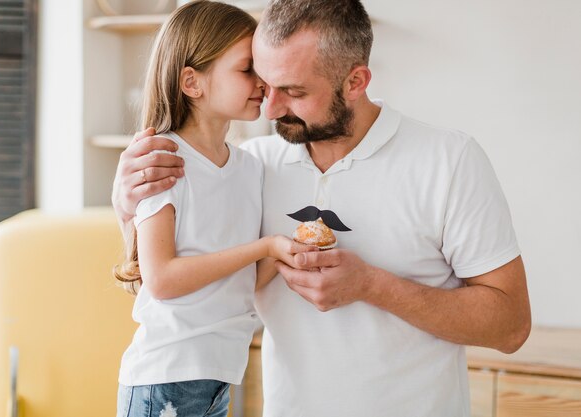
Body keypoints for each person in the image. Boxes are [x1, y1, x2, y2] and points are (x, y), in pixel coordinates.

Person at [112, 0, 532, 416]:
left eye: (293, 91)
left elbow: (511, 327)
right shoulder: (252, 165)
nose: (270, 107)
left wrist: (370, 285)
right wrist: (126, 207)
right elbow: (176, 278)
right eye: (262, 79)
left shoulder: (449, 160)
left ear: (356, 81)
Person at [112, 2, 315, 417]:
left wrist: (288, 250)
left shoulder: (249, 168)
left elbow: (242, 283)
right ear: (192, 81)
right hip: (164, 378)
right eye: (246, 69)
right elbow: (163, 279)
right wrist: (265, 246)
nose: (263, 83)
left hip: (220, 375)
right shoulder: (161, 160)